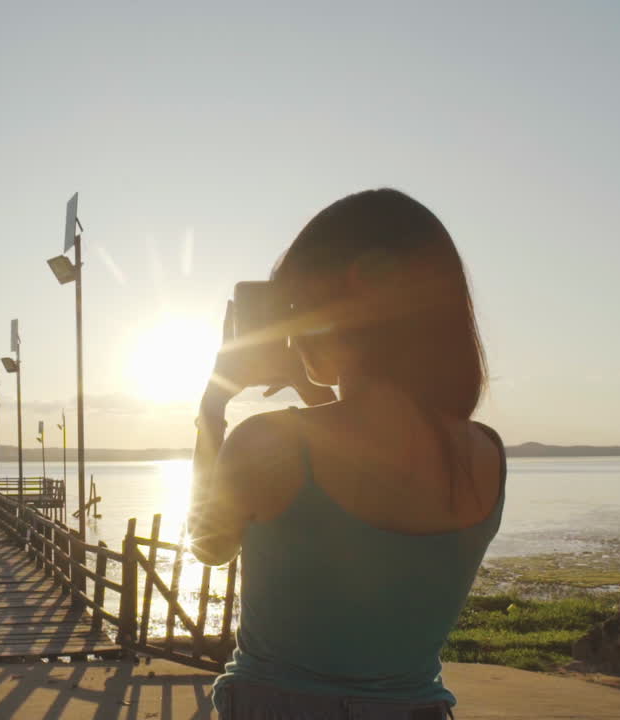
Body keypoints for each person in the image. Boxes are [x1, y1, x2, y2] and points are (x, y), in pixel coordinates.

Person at [188, 189, 504, 720]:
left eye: (293, 303)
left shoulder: (268, 442)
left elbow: (209, 545)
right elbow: (369, 447)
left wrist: (213, 405)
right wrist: (317, 386)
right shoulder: (485, 454)